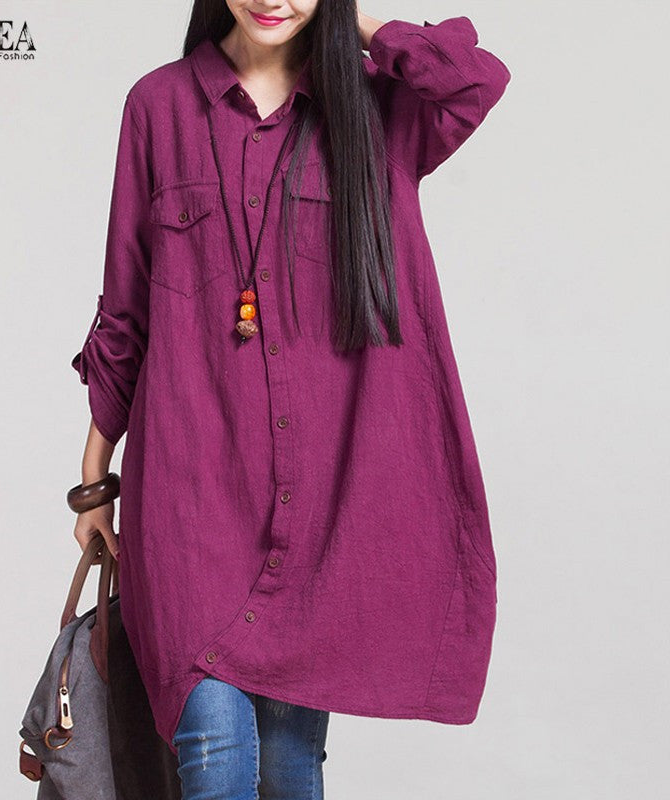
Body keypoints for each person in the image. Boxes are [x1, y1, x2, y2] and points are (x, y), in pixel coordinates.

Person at [69, 1, 511, 797]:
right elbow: (125, 304)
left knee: (287, 766)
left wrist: (353, 23)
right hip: (191, 503)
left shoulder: (375, 108)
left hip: (323, 511)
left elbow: (472, 81)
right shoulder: (158, 107)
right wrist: (96, 481)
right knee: (215, 754)